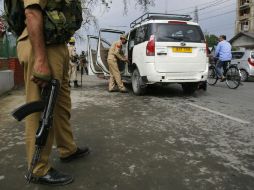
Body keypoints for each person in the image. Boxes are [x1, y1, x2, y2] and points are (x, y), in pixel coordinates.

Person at [16, 0, 90, 186]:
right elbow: (32, 12)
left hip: (57, 46)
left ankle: (67, 148)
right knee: (41, 109)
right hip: (40, 44)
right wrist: (40, 60)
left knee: (62, 103)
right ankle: (38, 169)